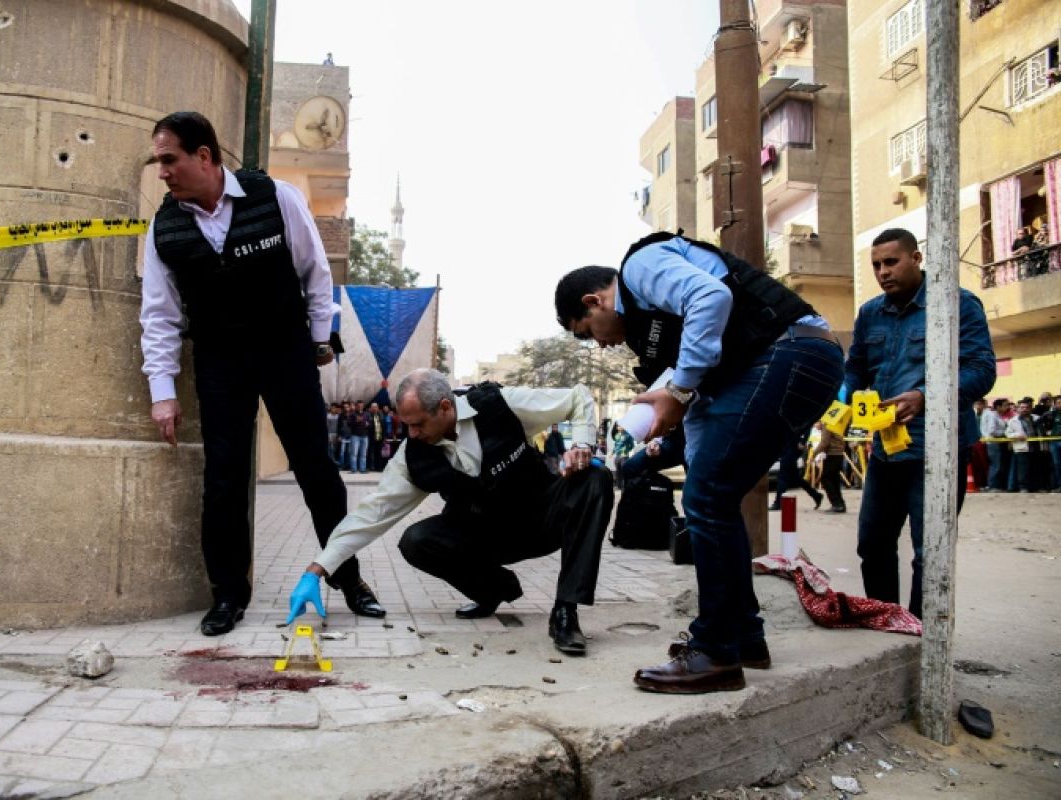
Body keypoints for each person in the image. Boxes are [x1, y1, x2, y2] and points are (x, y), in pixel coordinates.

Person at [554, 229, 843, 693]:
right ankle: (745, 638)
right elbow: (700, 389)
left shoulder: (640, 268)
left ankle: (715, 653)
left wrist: (680, 390)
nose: (601, 346)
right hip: (796, 359)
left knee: (707, 497)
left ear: (594, 301)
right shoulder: (658, 325)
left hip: (790, 352)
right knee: (713, 496)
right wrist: (675, 413)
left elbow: (711, 296)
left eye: (588, 333)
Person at [139, 111, 385, 636]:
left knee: (317, 470)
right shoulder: (165, 226)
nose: (162, 171)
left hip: (284, 350)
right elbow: (158, 316)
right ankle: (228, 593)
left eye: (169, 159)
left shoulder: (276, 197)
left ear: (203, 156)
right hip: (220, 361)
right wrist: (162, 391)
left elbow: (315, 272)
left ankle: (348, 578)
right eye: (158, 161)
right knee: (223, 479)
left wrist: (320, 338)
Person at [287, 369, 614, 656]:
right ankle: (494, 590)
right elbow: (370, 516)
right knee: (416, 540)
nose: (412, 434)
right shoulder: (412, 457)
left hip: (542, 518)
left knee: (595, 479)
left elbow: (578, 398)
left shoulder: (500, 404)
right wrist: (316, 570)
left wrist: (582, 446)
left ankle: (565, 610)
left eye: (417, 424)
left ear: (445, 407)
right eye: (406, 425)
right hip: (489, 535)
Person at [843, 228, 995, 620]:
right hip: (886, 451)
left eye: (891, 262)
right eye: (876, 264)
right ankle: (886, 626)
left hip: (939, 451)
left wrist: (927, 396)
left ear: (916, 258)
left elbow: (981, 370)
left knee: (930, 554)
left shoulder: (957, 304)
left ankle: (922, 641)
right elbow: (855, 370)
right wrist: (838, 406)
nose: (882, 272)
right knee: (873, 544)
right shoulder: (870, 312)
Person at [770, 427, 824, 511]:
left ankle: (778, 503)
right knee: (795, 478)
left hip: (794, 445)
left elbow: (807, 425)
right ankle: (816, 495)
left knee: (782, 476)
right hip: (788, 445)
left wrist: (803, 441)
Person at [811, 421, 847, 513]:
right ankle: (840, 504)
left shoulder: (827, 424)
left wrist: (814, 454)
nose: (816, 426)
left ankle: (836, 504)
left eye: (816, 423)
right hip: (839, 454)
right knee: (834, 480)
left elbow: (824, 442)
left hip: (832, 454)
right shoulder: (836, 423)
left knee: (825, 478)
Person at [1006, 398, 1039, 492]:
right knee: (1022, 469)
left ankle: (1034, 487)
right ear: (1018, 409)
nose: (1024, 409)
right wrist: (1017, 435)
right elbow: (1008, 433)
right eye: (1022, 407)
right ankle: (1023, 487)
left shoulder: (1036, 418)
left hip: (1035, 447)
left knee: (1035, 468)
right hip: (1022, 447)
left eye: (1027, 407)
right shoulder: (1013, 420)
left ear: (1030, 408)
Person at [981, 397, 1011, 491]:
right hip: (993, 442)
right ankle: (992, 485)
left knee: (997, 464)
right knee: (995, 464)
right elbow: (992, 431)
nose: (1007, 407)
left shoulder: (996, 415)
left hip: (996, 442)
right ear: (998, 406)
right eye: (1005, 405)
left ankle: (996, 485)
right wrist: (1005, 433)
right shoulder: (992, 415)